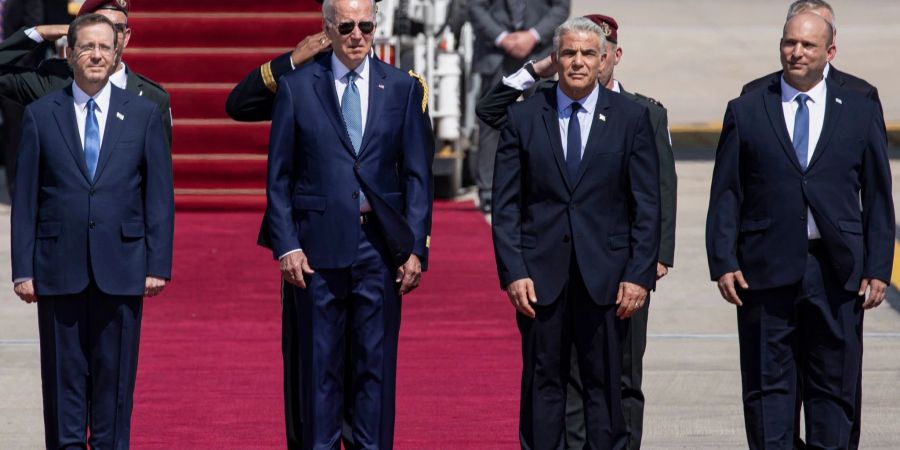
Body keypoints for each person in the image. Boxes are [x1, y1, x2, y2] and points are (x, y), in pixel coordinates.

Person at [478, 14, 675, 449]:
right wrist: (513, 271)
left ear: (606, 58)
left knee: (606, 389)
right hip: (540, 279)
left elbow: (648, 204)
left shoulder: (633, 117)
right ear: (556, 59)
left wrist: (638, 273)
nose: (579, 62)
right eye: (569, 53)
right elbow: (506, 206)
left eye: (589, 53)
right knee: (543, 386)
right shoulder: (526, 117)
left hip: (607, 279)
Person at [706, 12, 894, 450]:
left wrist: (878, 268)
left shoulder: (861, 110)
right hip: (764, 272)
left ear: (829, 52)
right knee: (767, 388)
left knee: (834, 387)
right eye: (789, 43)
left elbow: (879, 199)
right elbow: (726, 193)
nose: (796, 52)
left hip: (837, 272)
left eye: (808, 45)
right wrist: (724, 261)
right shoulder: (748, 108)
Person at [264, 0, 433, 446]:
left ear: (375, 27)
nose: (356, 35)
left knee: (374, 367)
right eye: (346, 26)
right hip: (316, 249)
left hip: (380, 248)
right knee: (319, 366)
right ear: (327, 29)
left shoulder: (402, 88)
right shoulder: (297, 88)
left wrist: (416, 248)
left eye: (364, 25)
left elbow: (418, 176)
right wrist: (286, 245)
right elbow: (278, 177)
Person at [10, 13, 174, 449]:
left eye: (104, 47)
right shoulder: (42, 114)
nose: (96, 55)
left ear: (117, 51)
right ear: (69, 54)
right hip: (58, 269)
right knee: (63, 385)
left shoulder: (142, 113)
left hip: (122, 268)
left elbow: (158, 194)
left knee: (114, 387)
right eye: (87, 47)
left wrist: (157, 263)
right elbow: (25, 198)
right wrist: (22, 268)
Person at [0, 0, 172, 147]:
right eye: (100, 26)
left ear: (126, 37)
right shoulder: (54, 82)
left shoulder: (152, 98)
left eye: (116, 28)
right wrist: (39, 33)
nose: (108, 36)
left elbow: (158, 174)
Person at [468, 0, 569, 213]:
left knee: (545, 121)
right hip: (495, 52)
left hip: (539, 53)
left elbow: (560, 8)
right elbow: (475, 7)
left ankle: (545, 187)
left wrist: (533, 35)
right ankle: (488, 191)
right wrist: (502, 38)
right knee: (489, 125)